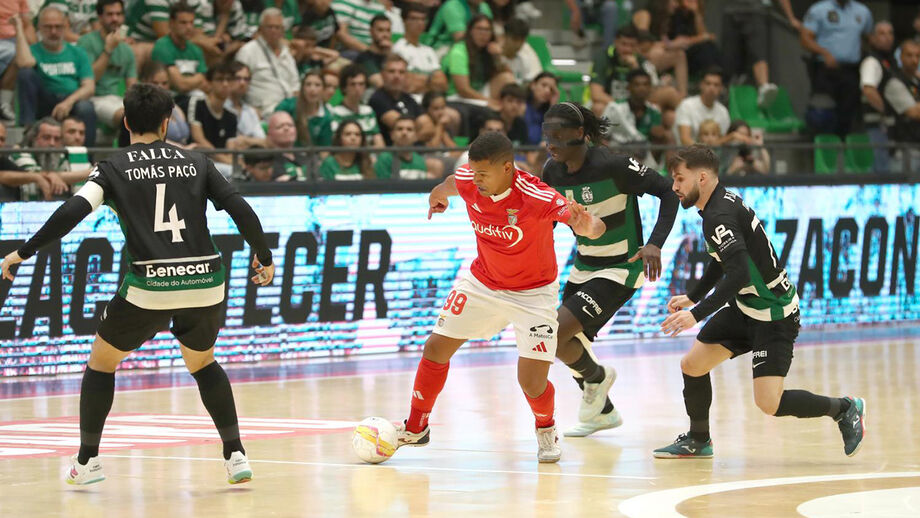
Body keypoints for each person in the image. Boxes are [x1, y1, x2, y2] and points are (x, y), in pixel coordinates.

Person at [0, 82, 276, 484]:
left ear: (126, 121)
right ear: (167, 124)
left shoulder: (113, 167)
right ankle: (236, 455)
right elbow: (241, 209)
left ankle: (87, 461)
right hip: (207, 280)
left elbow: (72, 211)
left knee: (101, 364)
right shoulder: (197, 162)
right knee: (203, 362)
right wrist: (264, 255)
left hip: (150, 285)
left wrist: (22, 252)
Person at [393, 131, 606, 463]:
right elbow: (451, 182)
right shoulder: (468, 180)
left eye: (483, 173)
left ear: (507, 168)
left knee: (532, 383)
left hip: (534, 295)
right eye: (473, 171)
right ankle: (416, 427)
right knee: (436, 347)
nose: (475, 180)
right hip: (483, 282)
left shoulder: (538, 196)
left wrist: (588, 225)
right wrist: (438, 197)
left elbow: (590, 227)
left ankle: (546, 428)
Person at [654, 144, 866, 458]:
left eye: (679, 179)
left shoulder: (719, 215)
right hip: (746, 308)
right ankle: (699, 440)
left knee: (769, 403)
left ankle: (844, 409)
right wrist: (693, 296)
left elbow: (738, 274)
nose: (674, 187)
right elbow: (722, 260)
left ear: (701, 178)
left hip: (775, 315)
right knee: (693, 365)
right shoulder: (717, 204)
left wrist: (696, 314)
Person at [540, 102, 679, 437]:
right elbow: (551, 220)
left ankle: (598, 380)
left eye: (558, 135)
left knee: (555, 333)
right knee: (562, 343)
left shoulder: (614, 165)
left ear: (579, 134)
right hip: (583, 266)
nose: (551, 143)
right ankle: (601, 411)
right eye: (547, 135)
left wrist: (655, 243)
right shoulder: (551, 172)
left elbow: (668, 193)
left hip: (621, 268)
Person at [14, 7, 98, 146]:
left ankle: (86, 159)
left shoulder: (78, 52)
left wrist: (68, 102)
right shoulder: (34, 50)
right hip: (43, 101)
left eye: (58, 27)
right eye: (48, 27)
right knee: (25, 73)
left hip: (70, 102)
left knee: (86, 107)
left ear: (65, 27)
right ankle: (27, 136)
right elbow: (23, 63)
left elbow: (89, 87)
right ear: (39, 28)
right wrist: (18, 28)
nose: (53, 32)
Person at [800, 0, 873, 137]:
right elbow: (805, 39)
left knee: (848, 113)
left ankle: (844, 148)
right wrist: (824, 53)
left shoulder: (863, 11)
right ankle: (819, 149)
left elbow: (869, 38)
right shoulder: (819, 10)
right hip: (825, 70)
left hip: (851, 70)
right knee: (821, 114)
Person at [720, 0, 797, 108]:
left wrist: (791, 18)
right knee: (728, 57)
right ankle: (725, 91)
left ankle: (764, 87)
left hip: (755, 10)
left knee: (758, 51)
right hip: (731, 11)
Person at [78, 0, 138, 131]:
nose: (115, 18)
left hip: (117, 99)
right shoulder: (86, 42)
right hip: (93, 98)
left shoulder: (127, 49)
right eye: (110, 14)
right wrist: (108, 50)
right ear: (100, 17)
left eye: (118, 14)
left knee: (142, 114)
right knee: (127, 117)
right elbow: (90, 80)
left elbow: (132, 87)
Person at [234, 8, 300, 115]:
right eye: (270, 27)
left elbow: (295, 84)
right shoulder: (248, 51)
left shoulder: (286, 53)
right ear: (260, 29)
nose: (274, 30)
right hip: (263, 111)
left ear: (283, 30)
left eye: (277, 27)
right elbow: (237, 86)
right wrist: (247, 110)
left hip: (290, 110)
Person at [443, 14, 513, 110]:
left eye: (487, 30)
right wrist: (488, 101)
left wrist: (498, 57)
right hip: (458, 96)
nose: (483, 34)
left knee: (506, 78)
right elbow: (463, 89)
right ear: (471, 31)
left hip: (478, 93)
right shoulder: (459, 51)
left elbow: (510, 80)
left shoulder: (488, 51)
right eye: (479, 29)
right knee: (496, 107)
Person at [589, 24, 660, 116]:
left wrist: (635, 68)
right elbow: (596, 94)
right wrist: (622, 107)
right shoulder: (603, 58)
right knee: (598, 108)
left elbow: (651, 94)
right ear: (615, 42)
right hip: (610, 103)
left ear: (637, 46)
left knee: (661, 109)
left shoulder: (642, 62)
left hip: (634, 105)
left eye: (632, 45)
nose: (627, 49)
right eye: (624, 44)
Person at [150, 2, 207, 110]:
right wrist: (195, 81)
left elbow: (204, 81)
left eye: (191, 22)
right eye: (183, 23)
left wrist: (187, 81)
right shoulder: (162, 46)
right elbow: (180, 85)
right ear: (171, 23)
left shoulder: (196, 50)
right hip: (167, 100)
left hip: (192, 98)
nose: (189, 27)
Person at [187, 62, 238, 176]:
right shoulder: (198, 103)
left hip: (221, 163)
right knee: (232, 171)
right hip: (197, 161)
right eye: (220, 79)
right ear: (209, 83)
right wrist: (229, 162)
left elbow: (231, 149)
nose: (225, 84)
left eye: (229, 80)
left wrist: (230, 161)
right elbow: (199, 139)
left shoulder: (231, 116)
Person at [860, 21, 895, 173]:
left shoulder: (889, 62)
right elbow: (868, 89)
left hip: (886, 128)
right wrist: (886, 111)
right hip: (875, 127)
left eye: (890, 33)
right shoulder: (872, 61)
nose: (887, 37)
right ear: (872, 38)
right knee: (881, 173)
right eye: (881, 33)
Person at [883, 39, 920, 173]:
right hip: (904, 150)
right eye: (909, 55)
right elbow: (915, 113)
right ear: (900, 57)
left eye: (917, 56)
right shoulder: (894, 82)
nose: (914, 60)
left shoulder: (916, 82)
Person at [393, 3, 446, 95]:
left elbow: (443, 84)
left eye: (423, 19)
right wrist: (431, 80)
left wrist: (421, 80)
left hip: (431, 101)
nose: (419, 23)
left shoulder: (429, 50)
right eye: (414, 19)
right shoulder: (398, 49)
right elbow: (408, 85)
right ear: (404, 21)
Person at [368, 54, 422, 145]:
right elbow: (400, 125)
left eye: (401, 72)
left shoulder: (409, 99)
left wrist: (412, 135)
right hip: (391, 153)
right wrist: (415, 131)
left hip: (414, 153)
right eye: (391, 71)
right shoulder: (377, 99)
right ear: (382, 74)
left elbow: (429, 127)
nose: (397, 76)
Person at [330, 64, 385, 147]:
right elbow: (336, 143)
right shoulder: (334, 113)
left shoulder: (368, 111)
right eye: (353, 84)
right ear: (344, 87)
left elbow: (380, 144)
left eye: (361, 84)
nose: (357, 88)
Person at [275, 70, 333, 147]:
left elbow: (324, 149)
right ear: (302, 88)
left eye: (317, 85)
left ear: (323, 89)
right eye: (308, 84)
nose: (312, 89)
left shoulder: (326, 116)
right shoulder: (287, 106)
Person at [674, 67, 729, 146]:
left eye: (716, 85)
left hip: (714, 156)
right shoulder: (686, 105)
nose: (711, 88)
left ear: (721, 88)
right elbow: (685, 140)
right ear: (701, 85)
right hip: (687, 155)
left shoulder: (723, 111)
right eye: (708, 83)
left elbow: (721, 142)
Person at [374, 115, 442, 179]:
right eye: (399, 129)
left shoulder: (419, 160)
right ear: (392, 135)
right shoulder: (384, 159)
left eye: (409, 129)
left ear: (416, 136)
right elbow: (385, 188)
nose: (404, 132)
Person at [0, 0, 35, 122]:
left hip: (13, 39)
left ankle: (4, 105)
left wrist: (35, 49)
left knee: (22, 57)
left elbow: (27, 23)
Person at [426, 0, 492, 52]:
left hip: (474, 47)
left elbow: (491, 34)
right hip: (443, 47)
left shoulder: (484, 7)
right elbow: (459, 38)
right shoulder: (452, 5)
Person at [265, 111, 311, 180]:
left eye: (290, 125)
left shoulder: (306, 156)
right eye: (279, 127)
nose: (286, 128)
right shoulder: (267, 161)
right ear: (269, 134)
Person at [355, 14, 392, 88]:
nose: (385, 34)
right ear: (371, 32)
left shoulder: (391, 56)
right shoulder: (364, 58)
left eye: (388, 30)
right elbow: (380, 84)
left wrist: (390, 53)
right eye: (380, 30)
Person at [501, 17, 542, 84]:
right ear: (504, 36)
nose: (518, 44)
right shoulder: (495, 56)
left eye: (522, 40)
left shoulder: (526, 53)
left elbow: (535, 79)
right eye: (515, 39)